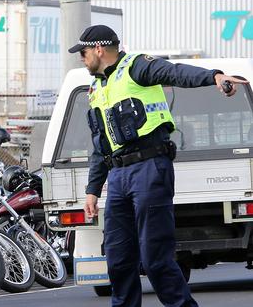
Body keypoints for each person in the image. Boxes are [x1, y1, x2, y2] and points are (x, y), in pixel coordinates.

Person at [70, 24, 248, 307]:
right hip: (117, 176)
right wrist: (92, 190)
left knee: (155, 260)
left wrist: (213, 76)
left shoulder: (136, 67)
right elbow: (99, 143)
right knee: (118, 261)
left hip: (149, 168)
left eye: (84, 52)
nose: (82, 58)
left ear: (99, 49)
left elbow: (175, 72)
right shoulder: (98, 88)